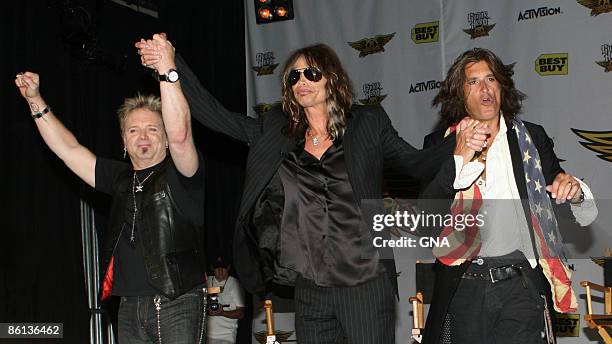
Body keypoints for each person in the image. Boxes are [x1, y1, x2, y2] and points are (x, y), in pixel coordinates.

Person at [137, 35, 486, 344]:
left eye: (311, 73)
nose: (302, 81)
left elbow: (416, 163)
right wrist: (171, 67)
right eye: (294, 76)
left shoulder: (367, 123)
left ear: (331, 79)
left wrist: (458, 142)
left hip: (364, 282)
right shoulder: (275, 131)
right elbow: (214, 114)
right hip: (309, 288)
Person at [14, 36, 207, 344]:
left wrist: (167, 70)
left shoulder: (182, 173)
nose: (142, 136)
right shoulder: (118, 176)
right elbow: (68, 150)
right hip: (128, 306)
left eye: (152, 129)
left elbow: (182, 134)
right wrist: (34, 100)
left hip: (178, 303)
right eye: (133, 130)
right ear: (123, 140)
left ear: (165, 137)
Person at [420, 48, 598, 344]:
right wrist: (457, 161)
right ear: (459, 94)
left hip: (520, 286)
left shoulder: (530, 139)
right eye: (473, 82)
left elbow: (565, 191)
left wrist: (575, 191)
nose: (485, 88)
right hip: (464, 288)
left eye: (491, 78)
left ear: (502, 86)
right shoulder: (440, 145)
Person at [206, 256, 245, 344]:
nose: (220, 270)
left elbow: (241, 313)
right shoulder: (206, 282)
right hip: (206, 335)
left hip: (226, 337)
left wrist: (221, 312)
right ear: (212, 268)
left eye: (223, 267)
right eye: (217, 267)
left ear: (228, 268)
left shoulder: (235, 284)